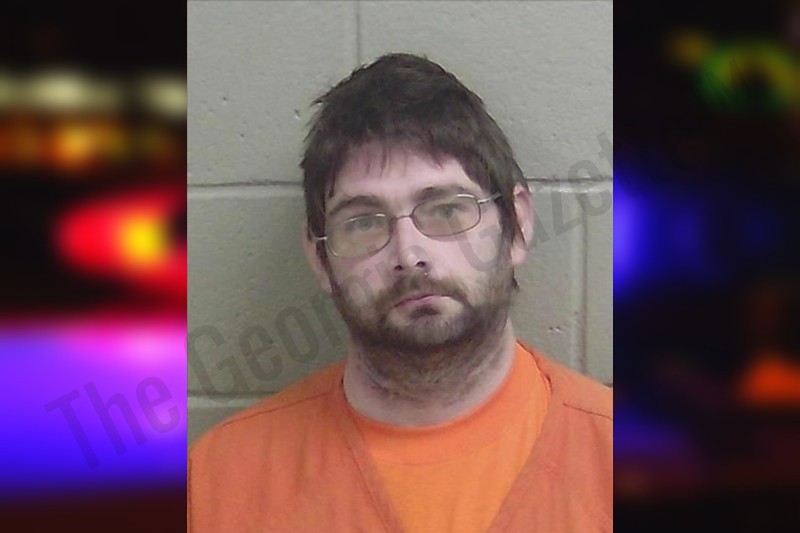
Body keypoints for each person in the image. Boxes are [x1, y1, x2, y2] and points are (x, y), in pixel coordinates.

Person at [188, 53, 612, 532]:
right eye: (363, 223)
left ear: (517, 225)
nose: (409, 255)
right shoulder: (221, 482)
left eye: (447, 209)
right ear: (319, 257)